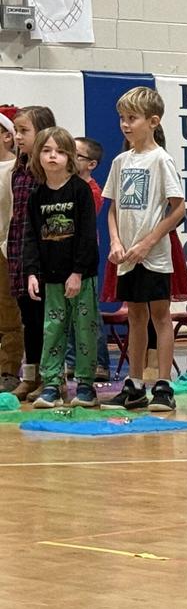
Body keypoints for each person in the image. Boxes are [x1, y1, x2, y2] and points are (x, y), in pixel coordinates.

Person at [99, 88, 186, 412]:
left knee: (160, 316)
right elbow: (112, 209)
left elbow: (178, 209)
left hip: (154, 255)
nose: (125, 124)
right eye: (122, 118)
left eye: (132, 118)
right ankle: (134, 385)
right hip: (126, 256)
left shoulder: (161, 160)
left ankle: (163, 385)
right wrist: (116, 241)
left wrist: (149, 241)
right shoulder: (120, 161)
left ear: (153, 121)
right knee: (135, 316)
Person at [21, 127, 100, 408]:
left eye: (60, 151)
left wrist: (77, 272)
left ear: (70, 157)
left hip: (81, 277)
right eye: (46, 150)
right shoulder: (36, 195)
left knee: (85, 330)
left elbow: (87, 235)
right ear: (38, 156)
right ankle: (52, 384)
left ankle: (86, 385)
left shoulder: (80, 190)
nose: (52, 156)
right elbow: (31, 237)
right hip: (51, 278)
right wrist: (31, 272)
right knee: (52, 330)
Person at [7, 106, 57, 401]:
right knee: (28, 318)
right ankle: (30, 375)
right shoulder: (19, 169)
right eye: (16, 131)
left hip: (42, 254)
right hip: (19, 250)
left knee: (45, 318)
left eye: (24, 131)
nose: (17, 136)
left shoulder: (48, 172)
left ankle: (51, 377)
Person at [65, 136, 111, 382]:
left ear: (91, 164)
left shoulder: (91, 190)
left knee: (89, 311)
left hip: (83, 257)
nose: (69, 158)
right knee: (68, 311)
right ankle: (73, 361)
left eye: (76, 155)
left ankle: (100, 362)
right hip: (63, 255)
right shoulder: (66, 186)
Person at [0, 107, 24, 393]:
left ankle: (8, 370)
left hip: (6, 247)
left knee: (8, 312)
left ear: (7, 136)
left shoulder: (16, 169)